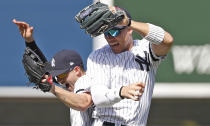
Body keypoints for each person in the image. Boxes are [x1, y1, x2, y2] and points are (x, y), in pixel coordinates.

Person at [13, 19, 145, 126]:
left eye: (62, 75)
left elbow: (83, 102)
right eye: (57, 78)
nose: (60, 81)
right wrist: (30, 42)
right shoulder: (71, 86)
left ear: (76, 70)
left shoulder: (88, 81)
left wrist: (52, 88)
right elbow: (46, 73)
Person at [74, 5, 174, 126]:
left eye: (115, 31)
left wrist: (129, 22)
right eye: (106, 33)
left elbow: (167, 40)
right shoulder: (98, 57)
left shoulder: (145, 50)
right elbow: (98, 96)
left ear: (129, 30)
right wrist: (122, 92)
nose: (110, 38)